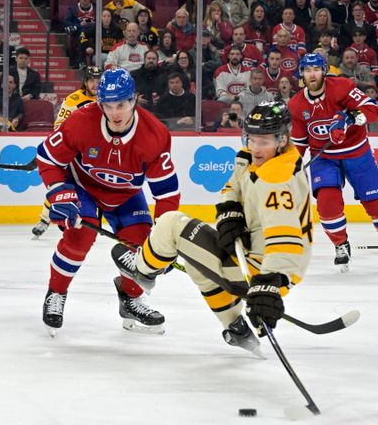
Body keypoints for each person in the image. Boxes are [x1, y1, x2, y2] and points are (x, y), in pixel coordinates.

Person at [111, 101, 312, 356]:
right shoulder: (252, 157)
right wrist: (231, 212)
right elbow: (232, 187)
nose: (256, 147)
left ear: (282, 140)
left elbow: (286, 239)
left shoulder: (277, 178)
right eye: (252, 139)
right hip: (254, 254)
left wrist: (270, 283)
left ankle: (141, 269)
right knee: (195, 258)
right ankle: (235, 327)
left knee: (171, 224)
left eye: (265, 141)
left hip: (265, 270)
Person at [37, 68, 180, 335]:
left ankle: (130, 299)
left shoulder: (155, 134)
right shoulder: (81, 121)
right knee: (79, 238)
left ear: (134, 100)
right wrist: (58, 192)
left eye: (122, 104)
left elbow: (167, 193)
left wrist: (164, 236)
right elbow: (47, 158)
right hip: (83, 188)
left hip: (126, 196)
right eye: (108, 105)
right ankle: (56, 293)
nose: (115, 113)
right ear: (99, 103)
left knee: (141, 247)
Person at [290, 52, 378, 270]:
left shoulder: (342, 86)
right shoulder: (296, 104)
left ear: (324, 71)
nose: (312, 74)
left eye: (316, 69)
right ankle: (341, 244)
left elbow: (372, 109)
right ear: (301, 74)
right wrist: (291, 165)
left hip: (357, 153)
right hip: (324, 157)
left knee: (375, 203)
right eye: (307, 70)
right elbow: (299, 143)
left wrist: (349, 119)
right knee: (327, 205)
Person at [32, 65, 102, 238]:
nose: (95, 85)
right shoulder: (74, 99)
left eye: (98, 81)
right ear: (85, 82)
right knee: (62, 184)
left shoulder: (106, 99)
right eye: (91, 81)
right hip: (74, 151)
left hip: (95, 151)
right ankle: (44, 219)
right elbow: (59, 126)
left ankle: (92, 217)